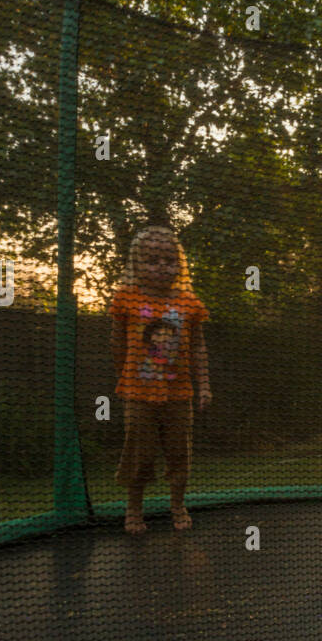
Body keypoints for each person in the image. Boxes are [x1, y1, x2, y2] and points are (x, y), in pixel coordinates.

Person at [109, 226, 211, 533]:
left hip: (179, 395)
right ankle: (134, 507)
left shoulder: (189, 303)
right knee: (140, 452)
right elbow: (117, 344)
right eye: (153, 260)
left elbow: (198, 347)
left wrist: (204, 385)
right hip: (138, 395)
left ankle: (177, 504)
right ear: (137, 265)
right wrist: (124, 380)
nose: (162, 266)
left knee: (180, 452)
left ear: (179, 265)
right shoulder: (125, 299)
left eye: (169, 260)